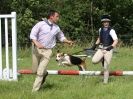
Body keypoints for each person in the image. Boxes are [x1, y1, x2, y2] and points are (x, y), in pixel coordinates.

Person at [30, 10, 73, 92]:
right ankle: (45, 73)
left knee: (39, 72)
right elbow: (32, 34)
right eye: (57, 16)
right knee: (35, 70)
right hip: (37, 50)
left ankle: (34, 91)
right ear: (51, 16)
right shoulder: (40, 24)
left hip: (48, 51)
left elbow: (61, 37)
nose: (58, 18)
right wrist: (37, 43)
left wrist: (67, 41)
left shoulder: (57, 27)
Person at [91, 15, 118, 84]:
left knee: (106, 67)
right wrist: (95, 45)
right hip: (101, 48)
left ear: (109, 22)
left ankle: (105, 82)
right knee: (94, 61)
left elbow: (116, 40)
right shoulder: (100, 29)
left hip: (108, 49)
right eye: (104, 22)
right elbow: (99, 38)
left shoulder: (112, 30)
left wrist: (110, 47)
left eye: (107, 22)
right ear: (102, 23)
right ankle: (102, 58)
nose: (106, 23)